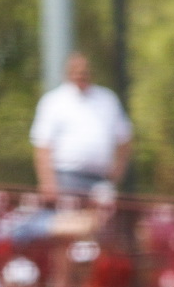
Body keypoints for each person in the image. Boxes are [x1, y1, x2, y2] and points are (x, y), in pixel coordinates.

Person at [31, 52, 133, 199]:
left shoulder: (107, 99)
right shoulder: (53, 101)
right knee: (70, 221)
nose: (81, 75)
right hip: (65, 179)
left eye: (84, 72)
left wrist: (117, 174)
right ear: (67, 73)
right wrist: (48, 183)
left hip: (101, 180)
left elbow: (124, 140)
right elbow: (42, 145)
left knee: (102, 219)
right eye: (76, 71)